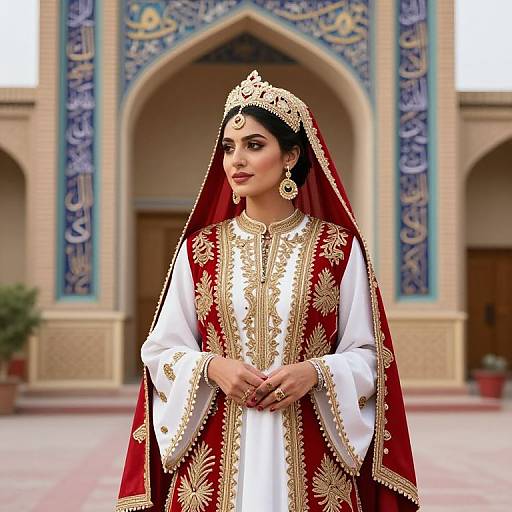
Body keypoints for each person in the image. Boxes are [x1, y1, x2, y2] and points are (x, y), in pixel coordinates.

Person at [116, 70, 419, 512]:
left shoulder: (337, 249)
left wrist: (315, 373)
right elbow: (161, 350)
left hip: (314, 453)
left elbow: (371, 358)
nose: (236, 160)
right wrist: (212, 367)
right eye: (228, 148)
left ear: (291, 156)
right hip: (212, 459)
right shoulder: (200, 250)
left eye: (254, 146)